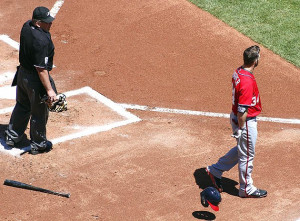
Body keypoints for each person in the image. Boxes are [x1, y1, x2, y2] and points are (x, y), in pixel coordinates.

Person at [206, 45, 267, 198]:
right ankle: (246, 188)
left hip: (237, 118)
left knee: (243, 149)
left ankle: (216, 170)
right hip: (245, 121)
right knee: (247, 155)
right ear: (255, 61)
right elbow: (242, 111)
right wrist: (240, 128)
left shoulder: (239, 71)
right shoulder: (247, 82)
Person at [5, 6, 58, 155]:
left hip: (22, 74)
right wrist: (49, 89)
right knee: (39, 112)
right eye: (47, 22)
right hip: (35, 79)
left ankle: (12, 136)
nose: (50, 24)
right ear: (38, 23)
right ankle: (39, 144)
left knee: (22, 105)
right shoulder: (41, 41)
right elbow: (41, 69)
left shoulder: (27, 26)